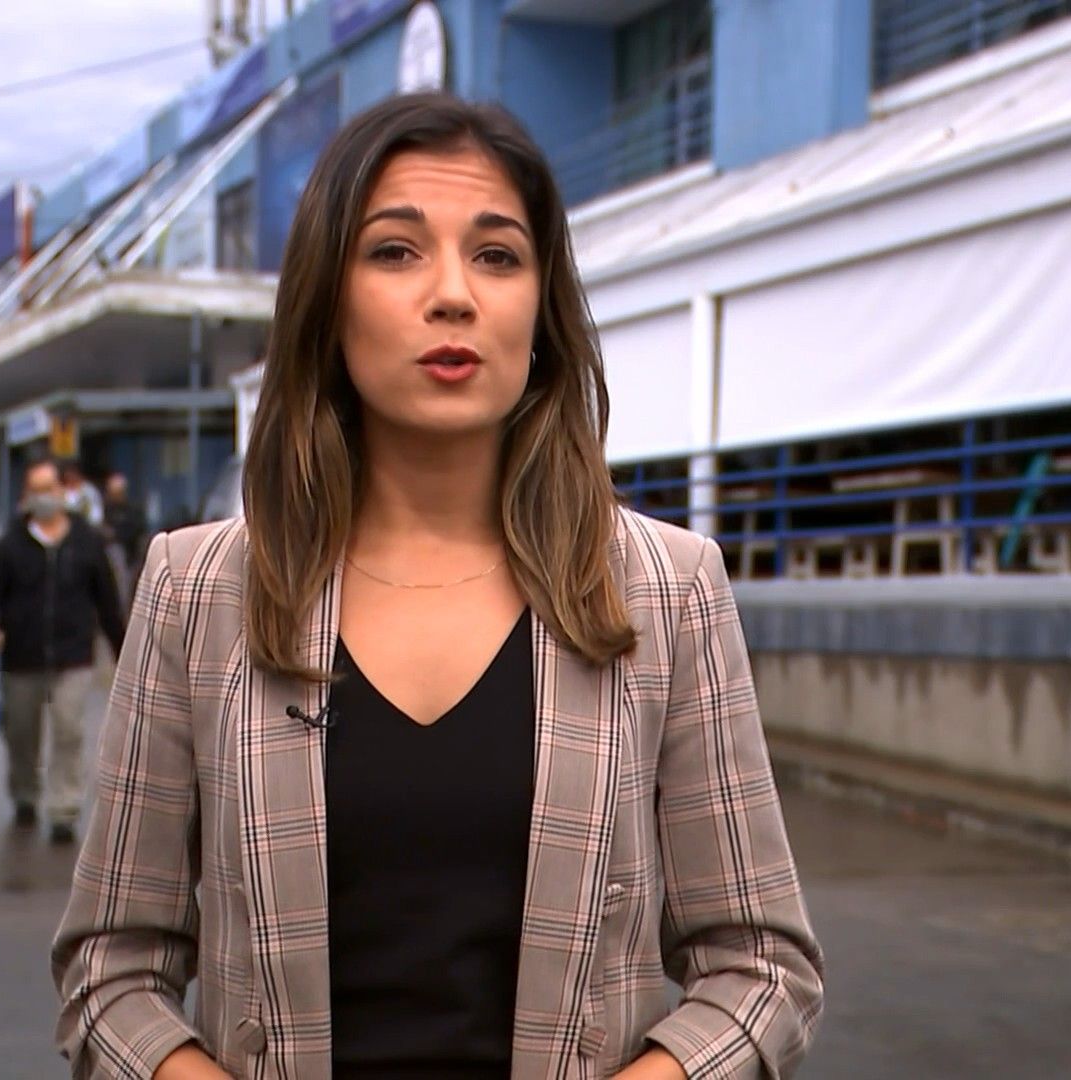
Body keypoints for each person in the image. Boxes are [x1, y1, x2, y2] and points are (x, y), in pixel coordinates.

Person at [53, 94, 824, 1079]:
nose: (453, 294)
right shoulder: (196, 591)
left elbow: (761, 969)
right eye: (396, 251)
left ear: (541, 310)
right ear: (328, 301)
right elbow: (110, 971)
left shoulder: (667, 590)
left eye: (497, 255)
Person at [0, 459, 126, 844]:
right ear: (27, 496)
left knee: (69, 731)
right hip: (21, 657)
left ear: (63, 491)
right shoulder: (9, 545)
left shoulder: (87, 542)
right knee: (21, 733)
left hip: (72, 655)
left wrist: (124, 649)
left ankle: (64, 809)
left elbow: (108, 602)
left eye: (49, 488)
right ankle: (25, 794)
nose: (44, 497)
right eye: (36, 490)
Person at [100, 471, 146, 613]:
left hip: (128, 557)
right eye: (112, 493)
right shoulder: (105, 510)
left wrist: (115, 534)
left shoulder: (132, 511)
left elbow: (136, 530)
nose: (114, 496)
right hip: (106, 558)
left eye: (117, 492)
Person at [61, 460, 106, 528]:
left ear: (79, 474)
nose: (70, 475)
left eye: (73, 472)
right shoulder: (59, 489)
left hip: (87, 526)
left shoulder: (89, 490)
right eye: (68, 473)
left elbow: (96, 513)